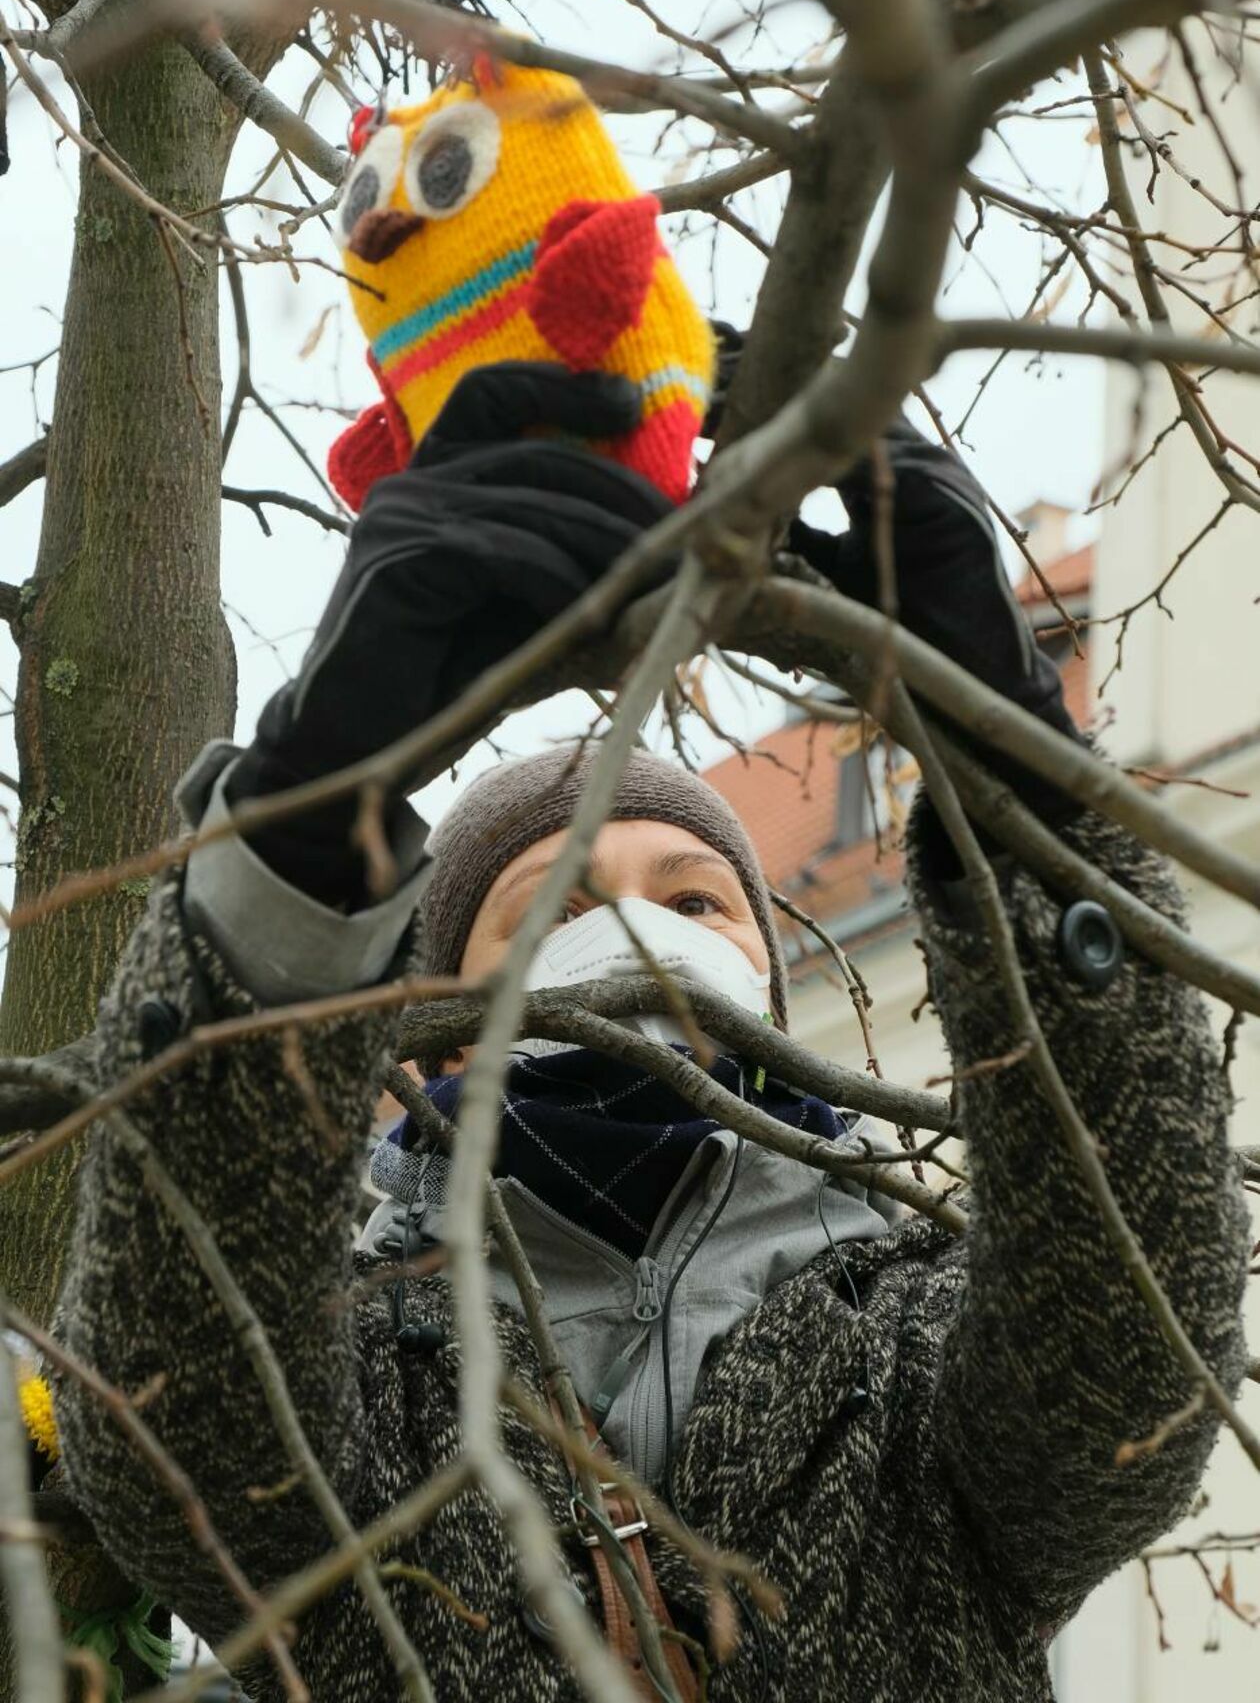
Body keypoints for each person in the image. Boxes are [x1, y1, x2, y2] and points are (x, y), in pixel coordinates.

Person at [55, 363, 1246, 1703]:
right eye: (554, 906)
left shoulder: (917, 1353)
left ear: (769, 993)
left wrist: (1015, 762)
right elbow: (171, 1428)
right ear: (440, 1036)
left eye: (692, 899)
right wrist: (301, 823)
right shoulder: (364, 1370)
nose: (630, 944)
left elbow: (1132, 1357)